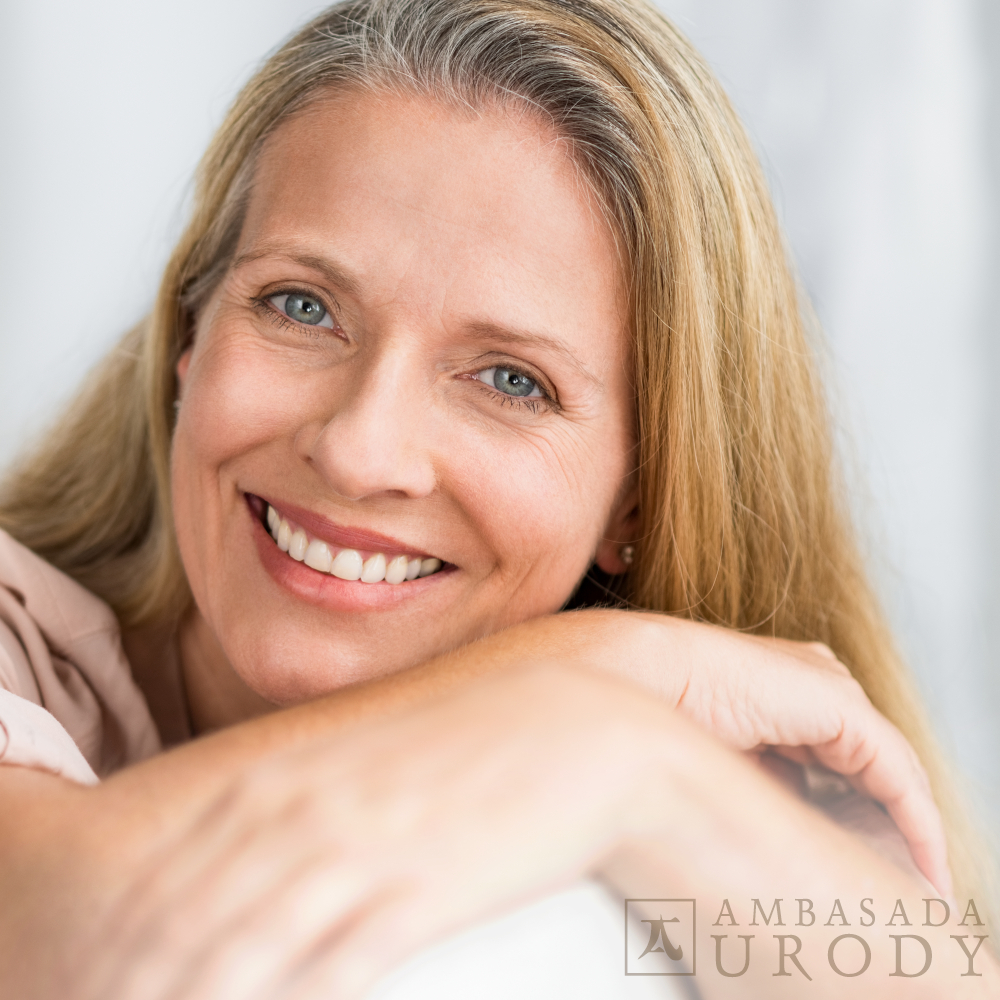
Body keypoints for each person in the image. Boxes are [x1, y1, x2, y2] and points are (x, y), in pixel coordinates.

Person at [0, 0, 993, 996]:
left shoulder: (671, 755)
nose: (357, 451)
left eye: (511, 380)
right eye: (301, 306)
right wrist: (586, 688)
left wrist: (639, 770)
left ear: (638, 501)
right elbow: (64, 938)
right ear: (190, 335)